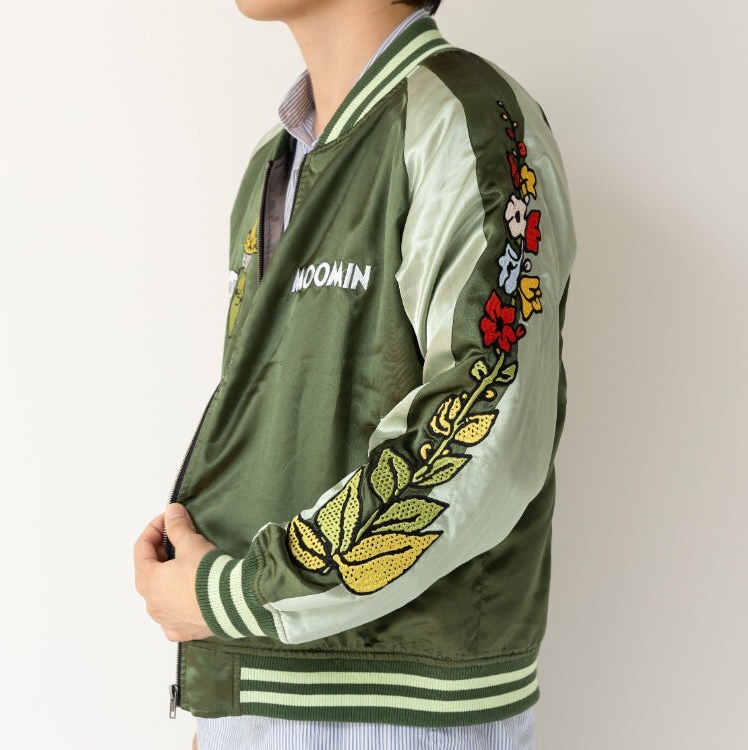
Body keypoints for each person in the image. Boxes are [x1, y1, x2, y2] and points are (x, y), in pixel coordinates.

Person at [133, 0, 577, 748]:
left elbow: (484, 421)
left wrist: (238, 595)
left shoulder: (464, 117)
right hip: (247, 684)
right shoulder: (274, 160)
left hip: (401, 707)